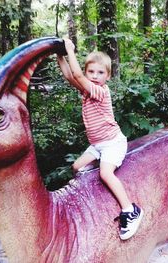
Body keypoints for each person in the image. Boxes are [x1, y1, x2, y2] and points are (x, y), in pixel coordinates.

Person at [57, 38, 143, 240]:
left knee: (106, 173)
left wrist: (70, 50)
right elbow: (71, 77)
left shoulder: (100, 91)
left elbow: (76, 74)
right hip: (97, 145)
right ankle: (95, 199)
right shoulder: (87, 90)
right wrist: (59, 55)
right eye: (91, 72)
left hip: (112, 143)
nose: (95, 76)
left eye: (100, 72)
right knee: (77, 167)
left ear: (108, 76)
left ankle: (130, 210)